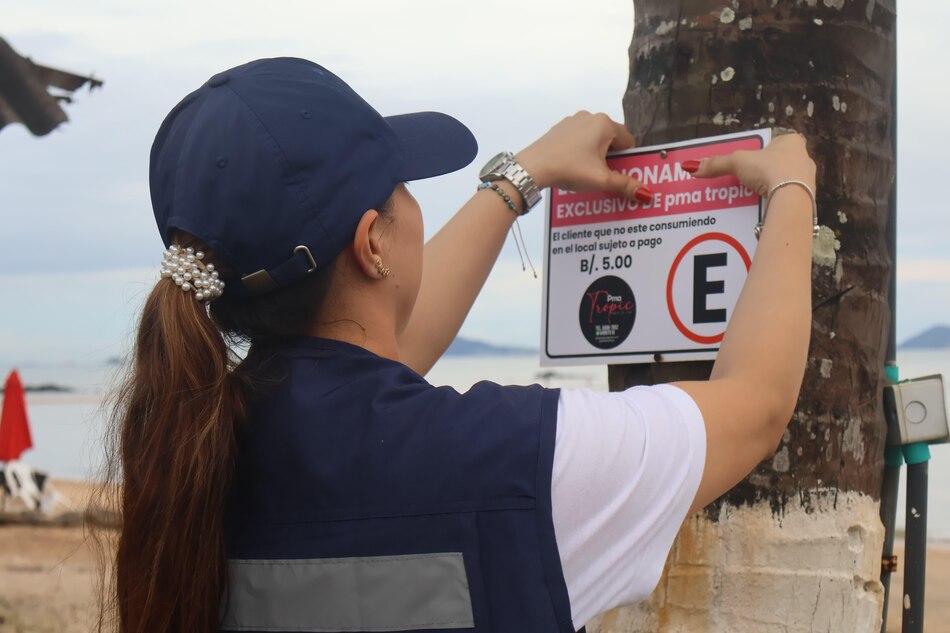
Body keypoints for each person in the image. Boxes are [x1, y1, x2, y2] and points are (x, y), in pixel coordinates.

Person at [99, 56, 815, 633]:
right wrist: (792, 188)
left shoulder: (192, 451)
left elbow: (372, 359)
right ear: (373, 243)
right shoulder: (514, 461)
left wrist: (521, 179)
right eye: (402, 185)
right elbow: (755, 406)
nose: (414, 203)